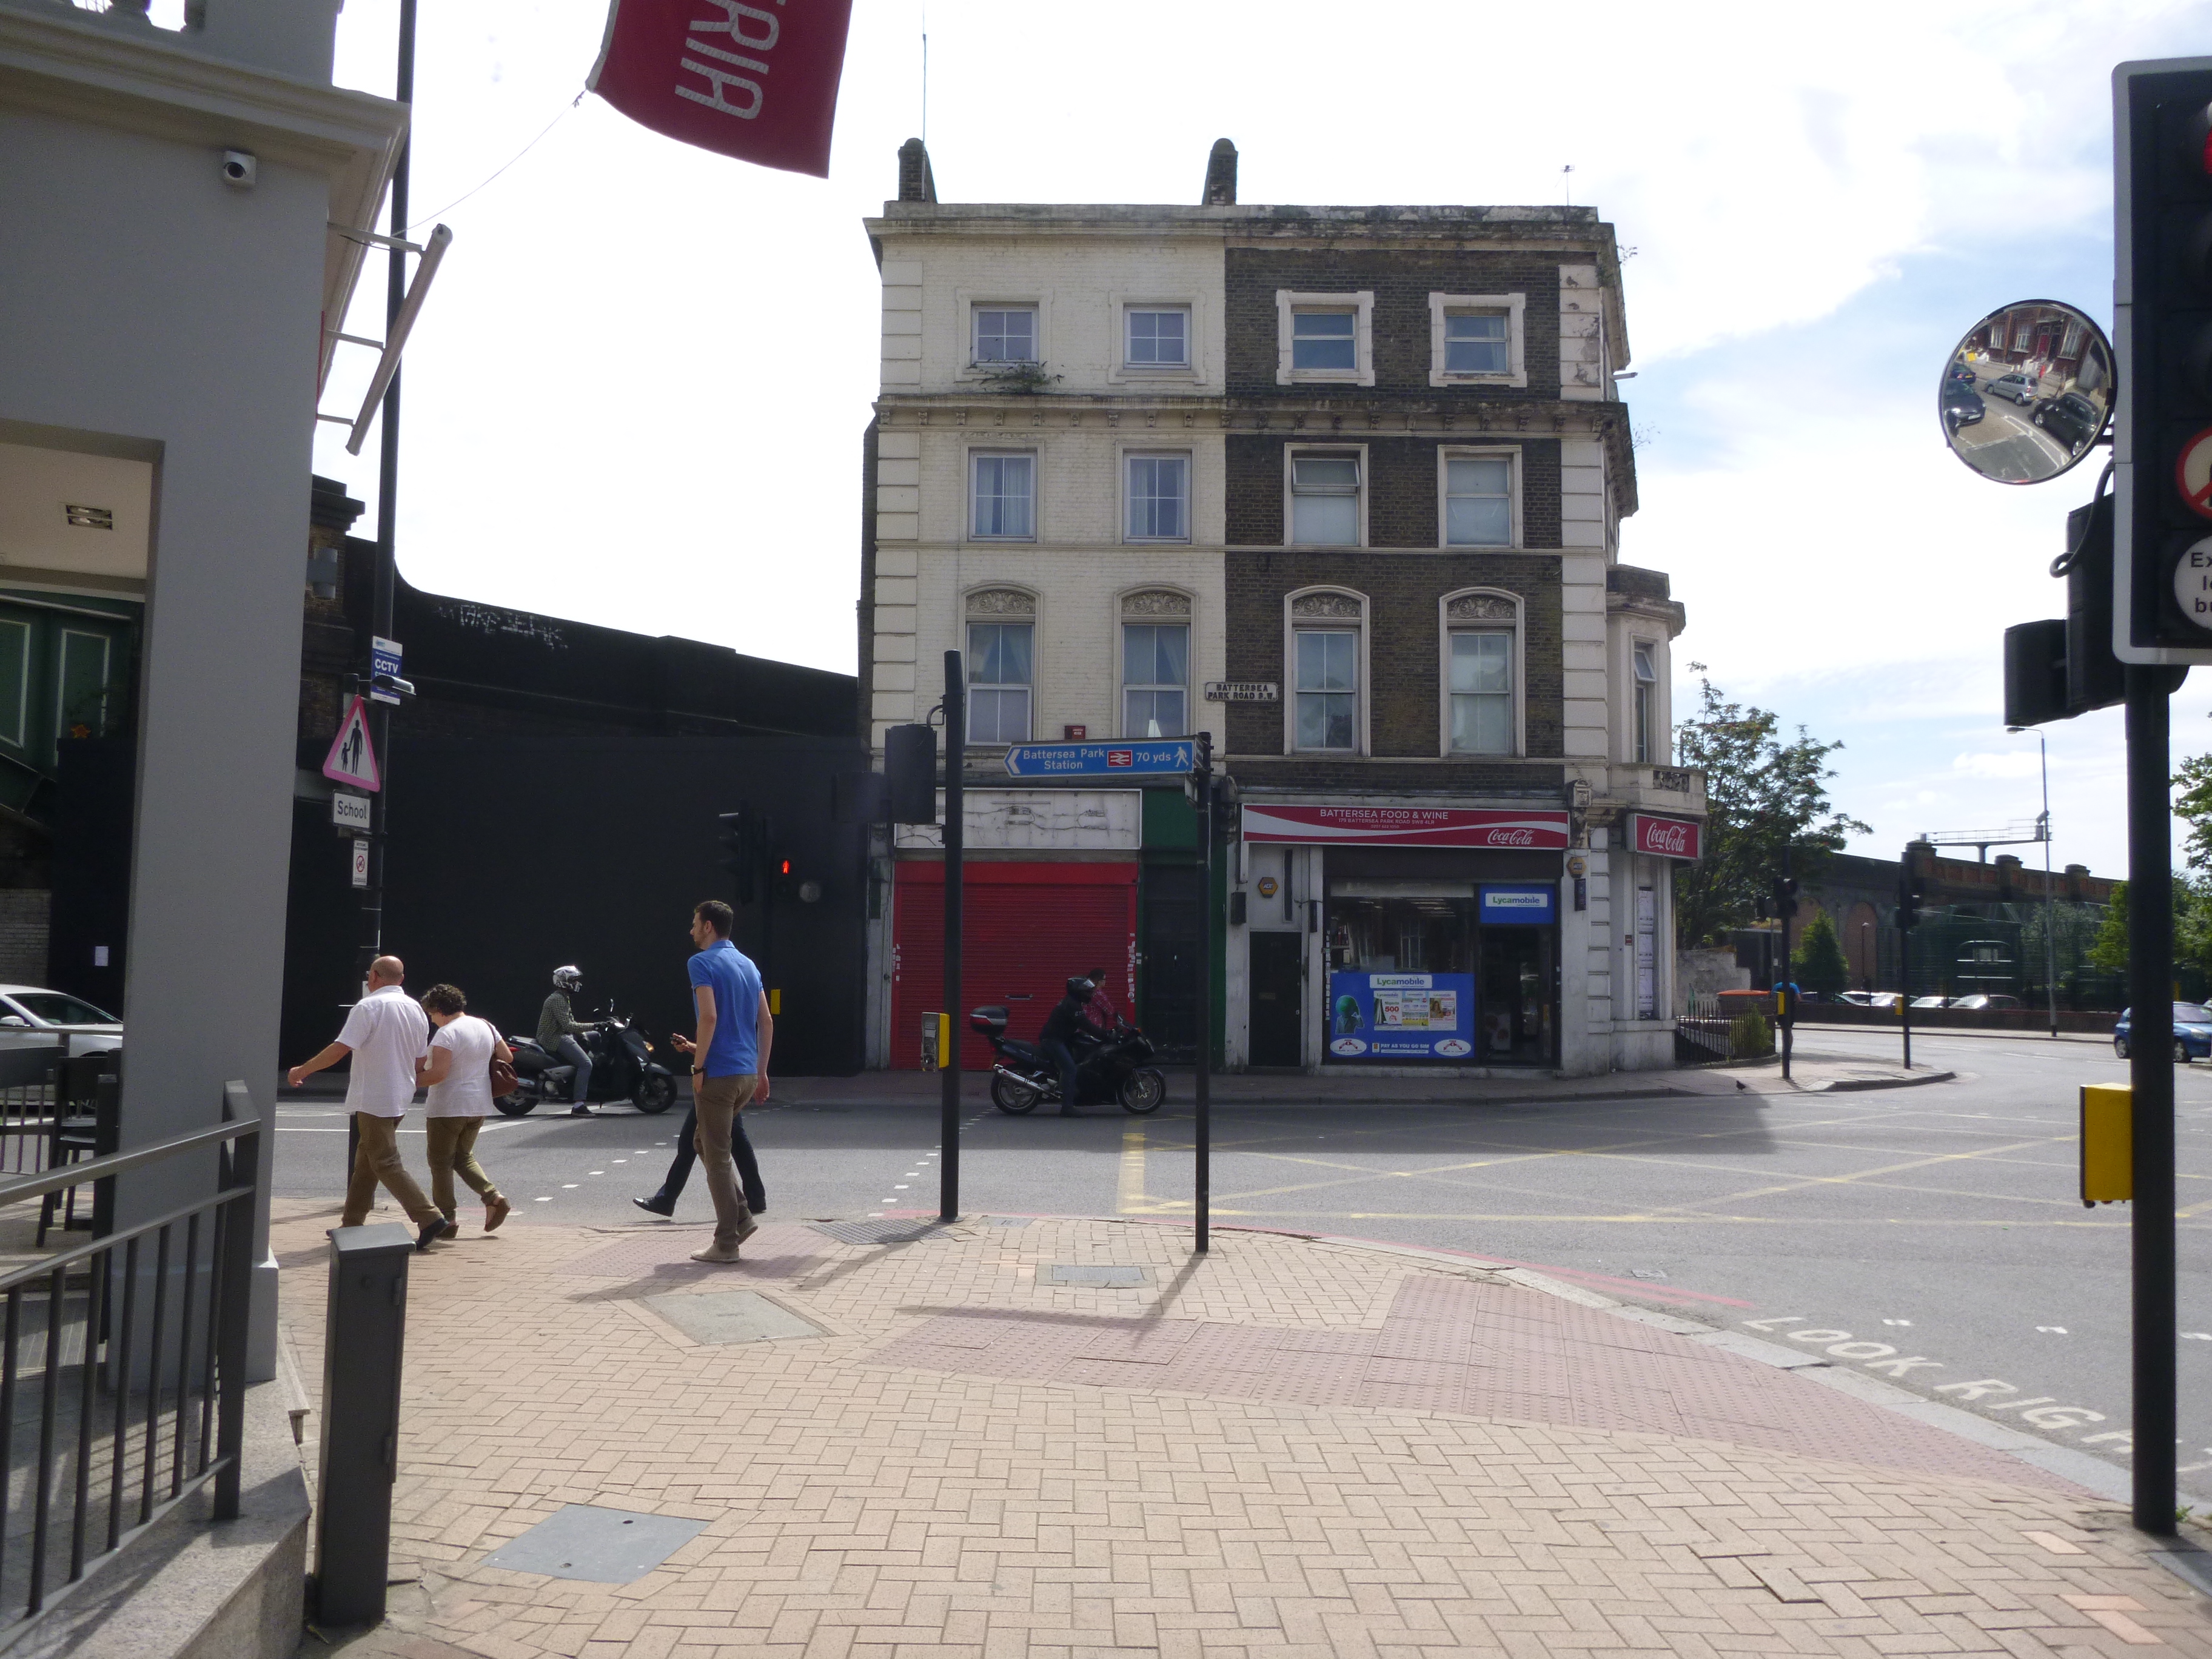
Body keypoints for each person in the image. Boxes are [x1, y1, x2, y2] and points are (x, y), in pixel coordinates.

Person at [286, 954, 444, 1252]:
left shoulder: (368, 1007)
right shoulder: (415, 1009)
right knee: (366, 1161)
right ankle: (351, 1224)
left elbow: (340, 1049)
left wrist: (302, 1070)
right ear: (401, 978)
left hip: (374, 1096)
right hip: (401, 1093)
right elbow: (420, 1059)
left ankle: (429, 1217)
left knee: (384, 1162)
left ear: (373, 976)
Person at [668, 900, 772, 1264]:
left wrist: (698, 1068)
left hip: (718, 1075)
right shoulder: (748, 964)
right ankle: (741, 1216)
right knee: (702, 1142)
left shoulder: (701, 963)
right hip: (746, 1074)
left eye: (695, 923)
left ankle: (727, 1243)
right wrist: (762, 1072)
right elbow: (766, 1022)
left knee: (717, 1158)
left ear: (709, 926)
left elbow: (709, 1017)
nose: (692, 930)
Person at [416, 984, 513, 1237]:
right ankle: (493, 1198)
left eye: (432, 1014)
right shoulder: (485, 1025)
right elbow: (507, 1057)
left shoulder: (446, 1034)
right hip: (479, 1103)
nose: (432, 1020)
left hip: (448, 1105)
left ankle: (447, 1220)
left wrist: (407, 1080)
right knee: (463, 1157)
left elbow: (438, 1074)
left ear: (439, 1010)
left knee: (440, 1163)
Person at [538, 965, 597, 1116]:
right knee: (586, 1064)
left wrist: (584, 1034)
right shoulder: (557, 999)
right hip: (555, 1038)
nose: (577, 983)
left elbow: (570, 1022)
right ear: (563, 982)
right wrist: (595, 1025)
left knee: (595, 1037)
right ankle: (579, 1105)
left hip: (561, 1034)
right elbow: (568, 1026)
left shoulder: (563, 997)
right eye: (573, 980)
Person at [1038, 976, 1093, 1118]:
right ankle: (1067, 1107)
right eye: (1086, 990)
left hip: (1060, 1039)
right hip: (1053, 1040)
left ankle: (1068, 1090)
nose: (1089, 993)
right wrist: (1106, 1035)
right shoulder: (1073, 1005)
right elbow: (1086, 1025)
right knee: (1070, 1069)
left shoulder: (1073, 1002)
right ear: (1077, 991)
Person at [1085, 968, 1121, 1034]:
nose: (1105, 981)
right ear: (1099, 981)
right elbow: (1110, 1011)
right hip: (1094, 1027)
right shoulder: (1097, 994)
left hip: (1086, 1026)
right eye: (1104, 979)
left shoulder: (1087, 991)